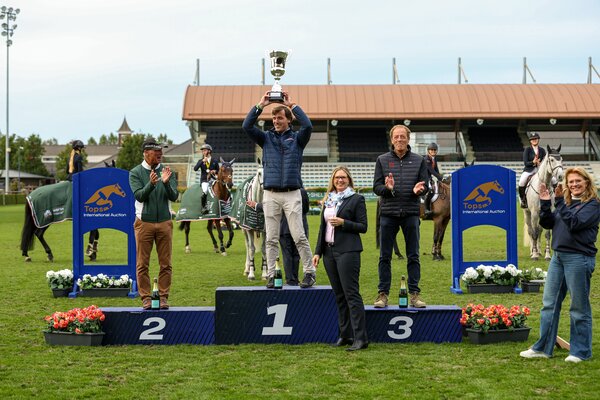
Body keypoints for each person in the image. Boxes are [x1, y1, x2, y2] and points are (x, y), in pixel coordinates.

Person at [520, 167, 599, 363]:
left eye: (578, 181)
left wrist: (560, 202)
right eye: (570, 182)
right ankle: (543, 348)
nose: (574, 185)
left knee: (578, 307)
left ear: (587, 182)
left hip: (579, 259)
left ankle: (580, 352)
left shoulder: (593, 205)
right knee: (549, 304)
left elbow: (574, 224)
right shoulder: (567, 203)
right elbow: (548, 223)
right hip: (558, 258)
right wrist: (546, 203)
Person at [242, 91, 316, 288]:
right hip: (270, 194)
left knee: (299, 236)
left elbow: (308, 125)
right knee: (271, 238)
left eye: (280, 118)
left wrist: (292, 105)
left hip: (292, 193)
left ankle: (309, 272)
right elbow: (246, 126)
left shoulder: (298, 139)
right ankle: (272, 275)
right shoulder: (266, 138)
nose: (275, 121)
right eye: (273, 118)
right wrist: (260, 105)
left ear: (288, 120)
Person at [313, 166, 368, 351]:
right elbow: (322, 228)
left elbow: (363, 226)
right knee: (339, 296)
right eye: (337, 177)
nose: (340, 180)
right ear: (333, 180)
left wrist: (344, 223)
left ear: (349, 180)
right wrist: (317, 252)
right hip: (329, 253)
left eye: (343, 177)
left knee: (351, 294)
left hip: (348, 251)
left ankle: (360, 338)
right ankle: (345, 335)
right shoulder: (329, 199)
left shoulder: (356, 199)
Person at [373, 125, 428, 308]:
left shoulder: (419, 160)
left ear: (408, 139)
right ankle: (382, 295)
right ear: (392, 139)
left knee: (413, 255)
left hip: (411, 213)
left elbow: (426, 185)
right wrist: (387, 189)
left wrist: (419, 190)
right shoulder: (382, 160)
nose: (399, 140)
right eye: (396, 137)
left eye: (402, 136)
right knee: (385, 256)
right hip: (388, 214)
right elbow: (376, 187)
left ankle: (414, 295)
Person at [129, 138, 179, 310]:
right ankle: (146, 298)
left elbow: (174, 196)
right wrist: (151, 184)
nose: (160, 153)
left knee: (166, 264)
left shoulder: (167, 171)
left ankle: (163, 297)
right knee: (142, 264)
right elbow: (139, 196)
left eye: (161, 150)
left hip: (165, 223)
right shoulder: (135, 173)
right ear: (146, 153)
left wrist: (166, 183)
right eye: (156, 151)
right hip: (144, 223)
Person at [280, 187, 309, 285]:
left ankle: (290, 279)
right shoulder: (302, 191)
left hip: (284, 227)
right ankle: (294, 278)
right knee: (297, 254)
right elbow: (306, 209)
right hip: (299, 226)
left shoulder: (281, 191)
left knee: (287, 254)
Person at [518, 132, 546, 209]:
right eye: (532, 139)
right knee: (521, 182)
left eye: (535, 139)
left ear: (538, 140)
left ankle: (555, 198)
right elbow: (526, 163)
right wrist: (533, 162)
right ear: (530, 141)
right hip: (529, 170)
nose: (534, 140)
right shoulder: (527, 150)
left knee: (553, 180)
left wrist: (540, 163)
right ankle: (523, 200)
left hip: (539, 170)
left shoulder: (542, 150)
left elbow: (545, 162)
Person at [193, 143, 219, 214]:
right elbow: (195, 169)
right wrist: (202, 161)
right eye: (202, 151)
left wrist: (215, 171)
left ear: (209, 151)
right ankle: (203, 207)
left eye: (204, 150)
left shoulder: (215, 161)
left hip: (213, 179)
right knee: (205, 191)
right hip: (205, 180)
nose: (203, 152)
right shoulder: (200, 161)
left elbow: (218, 171)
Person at [423, 142, 443, 220]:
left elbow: (436, 169)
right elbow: (431, 170)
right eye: (432, 150)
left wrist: (440, 179)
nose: (433, 151)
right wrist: (440, 177)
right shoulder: (426, 159)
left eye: (435, 150)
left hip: (429, 178)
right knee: (430, 190)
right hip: (424, 178)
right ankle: (426, 209)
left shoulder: (434, 159)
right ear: (428, 151)